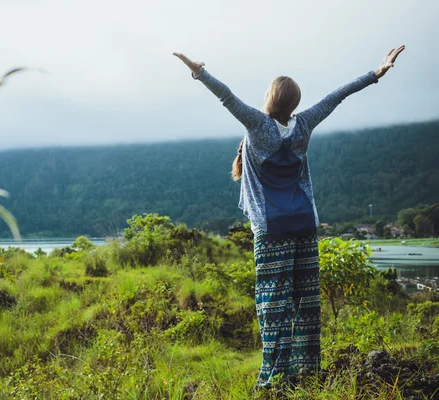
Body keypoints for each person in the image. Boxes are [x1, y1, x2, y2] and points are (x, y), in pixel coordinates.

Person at [173, 45, 405, 389]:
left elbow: (226, 96)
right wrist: (376, 72)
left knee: (273, 303)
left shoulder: (257, 125)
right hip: (303, 225)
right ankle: (305, 373)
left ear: (270, 97)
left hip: (271, 228)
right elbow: (338, 95)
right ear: (294, 103)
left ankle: (272, 380)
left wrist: (198, 70)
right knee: (305, 302)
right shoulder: (305, 123)